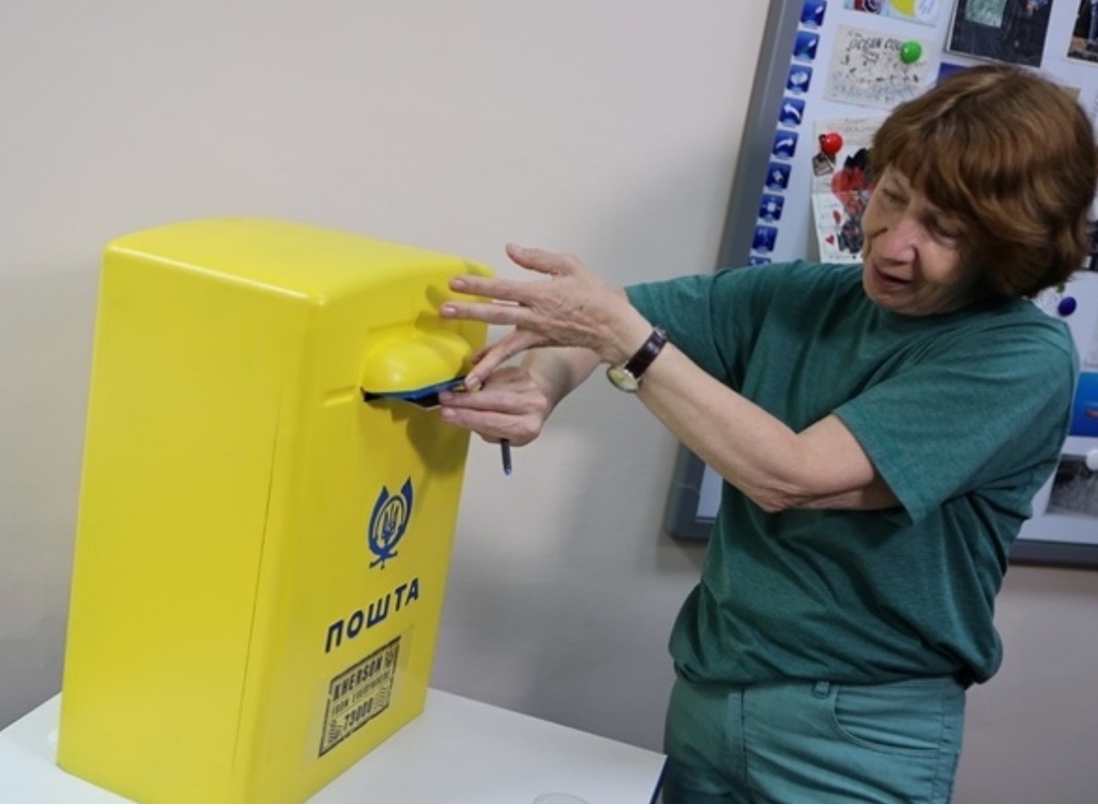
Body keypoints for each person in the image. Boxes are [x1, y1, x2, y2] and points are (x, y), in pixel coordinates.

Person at [436, 64, 1097, 803]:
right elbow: (603, 325)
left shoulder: (1019, 356)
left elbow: (792, 476)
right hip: (712, 691)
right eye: (892, 196)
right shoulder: (809, 295)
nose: (891, 243)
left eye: (943, 230)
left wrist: (623, 341)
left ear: (1010, 247)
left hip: (859, 734)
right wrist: (543, 385)